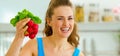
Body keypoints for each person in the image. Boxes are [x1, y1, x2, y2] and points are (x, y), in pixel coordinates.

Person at [6, 0, 84, 56]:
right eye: (60, 18)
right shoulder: (34, 46)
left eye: (70, 18)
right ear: (49, 21)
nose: (66, 24)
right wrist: (18, 38)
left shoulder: (78, 54)